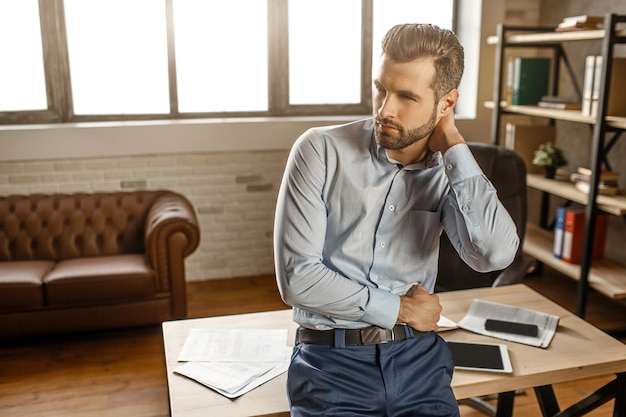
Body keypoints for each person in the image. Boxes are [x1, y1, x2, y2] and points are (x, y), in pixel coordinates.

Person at [273, 23, 519, 417]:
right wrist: (401, 309)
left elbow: (493, 254)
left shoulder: (446, 173)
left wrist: (454, 145)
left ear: (445, 103)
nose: (385, 109)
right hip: (330, 363)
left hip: (420, 361)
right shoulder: (319, 150)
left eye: (406, 96)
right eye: (381, 89)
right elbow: (298, 279)